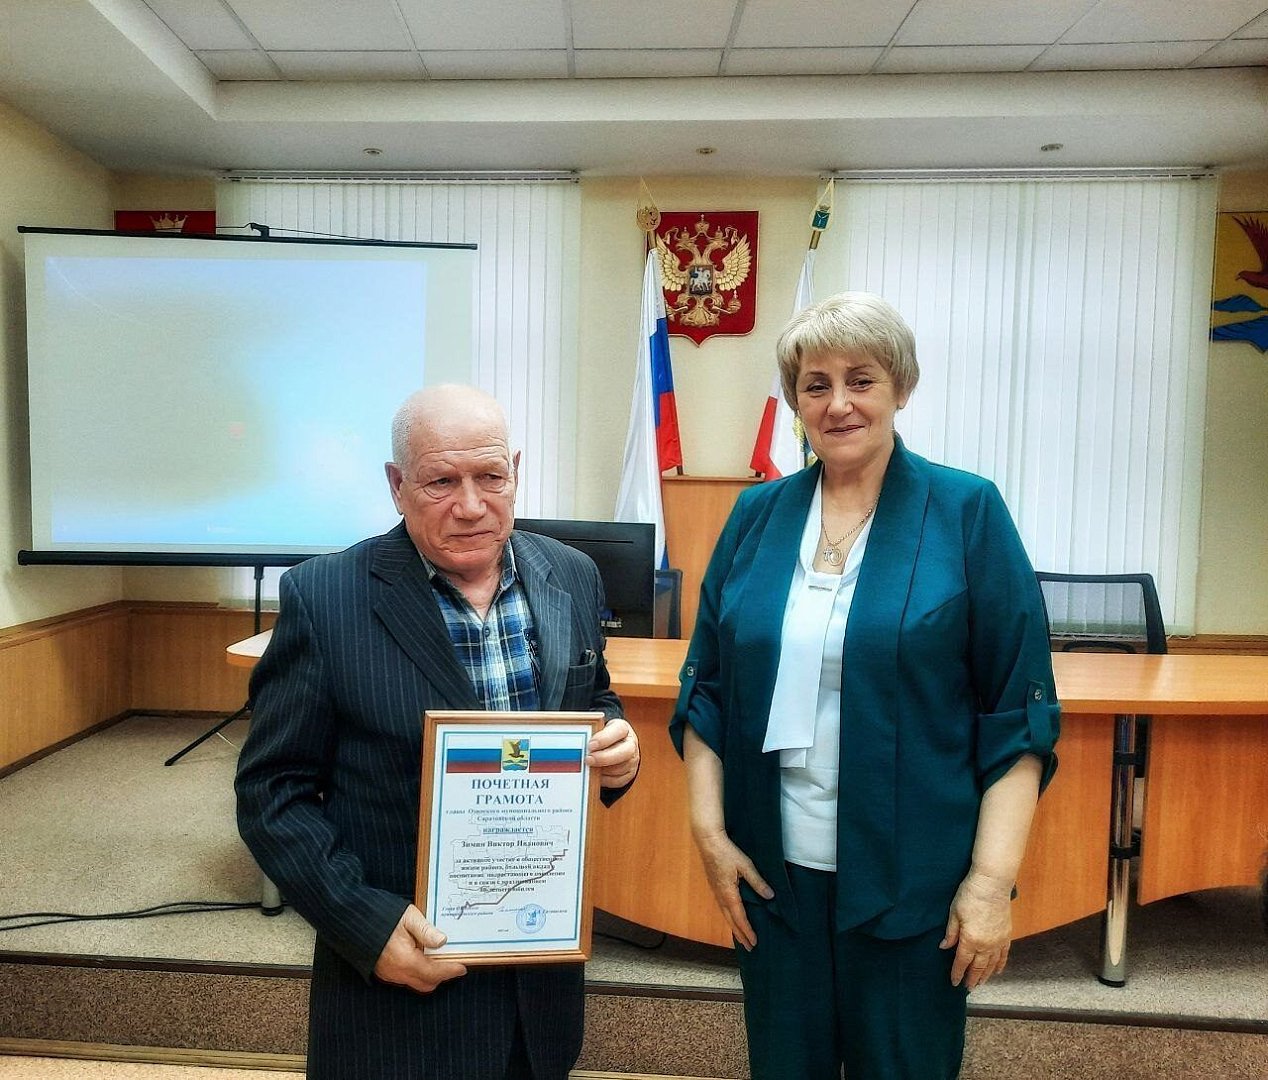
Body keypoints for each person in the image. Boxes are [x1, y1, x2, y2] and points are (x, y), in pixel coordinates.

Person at [670, 293, 1059, 1080]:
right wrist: (710, 835)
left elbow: (1016, 714)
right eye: (815, 384)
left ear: (901, 388)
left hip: (915, 886)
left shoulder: (966, 511)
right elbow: (706, 687)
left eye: (861, 379)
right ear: (796, 401)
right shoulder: (756, 515)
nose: (838, 403)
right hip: (773, 881)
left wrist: (990, 885)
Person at [236, 384, 639, 1080]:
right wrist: (364, 925)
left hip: (539, 985)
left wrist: (617, 742)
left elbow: (595, 696)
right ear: (397, 486)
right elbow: (273, 793)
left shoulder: (571, 575)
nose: (472, 505)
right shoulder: (326, 597)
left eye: (491, 477)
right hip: (400, 996)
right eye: (441, 481)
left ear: (515, 472)